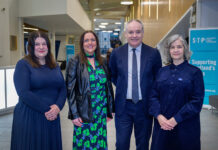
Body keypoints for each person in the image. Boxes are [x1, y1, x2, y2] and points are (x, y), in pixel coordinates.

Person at [109, 19, 162, 150]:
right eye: (131, 32)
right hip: (123, 107)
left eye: (138, 32)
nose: (134, 35)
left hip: (144, 107)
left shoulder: (153, 53)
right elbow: (114, 75)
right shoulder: (116, 53)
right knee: (121, 144)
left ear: (143, 33)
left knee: (143, 144)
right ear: (125, 34)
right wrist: (125, 87)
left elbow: (157, 78)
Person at [11, 31, 67, 150]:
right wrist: (48, 110)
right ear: (31, 47)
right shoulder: (23, 64)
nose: (41, 47)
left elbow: (63, 87)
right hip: (31, 117)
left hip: (52, 116)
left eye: (44, 44)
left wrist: (57, 107)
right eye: (37, 44)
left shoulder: (54, 65)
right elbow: (24, 92)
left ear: (48, 46)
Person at [149, 34, 205, 150]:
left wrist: (176, 119)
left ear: (184, 49)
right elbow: (153, 96)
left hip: (185, 126)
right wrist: (159, 116)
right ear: (168, 50)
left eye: (179, 47)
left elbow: (196, 102)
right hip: (162, 126)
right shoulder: (161, 72)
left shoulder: (195, 72)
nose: (175, 50)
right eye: (172, 47)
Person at [66, 30, 115, 150]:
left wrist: (110, 109)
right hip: (84, 112)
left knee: (99, 142)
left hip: (101, 112)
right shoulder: (75, 61)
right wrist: (74, 114)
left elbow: (108, 86)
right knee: (84, 143)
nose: (90, 43)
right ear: (82, 43)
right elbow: (70, 89)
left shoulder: (103, 61)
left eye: (92, 40)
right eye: (86, 40)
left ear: (97, 43)